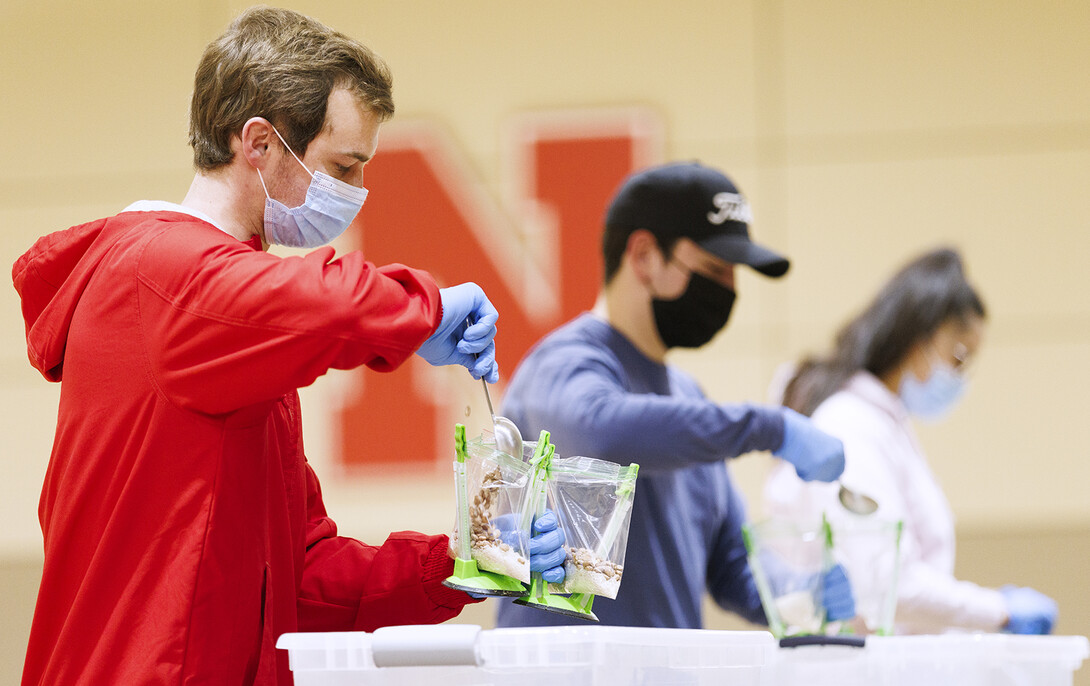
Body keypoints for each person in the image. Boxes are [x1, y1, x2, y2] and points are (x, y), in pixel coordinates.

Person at [11, 8, 563, 685]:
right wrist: (427, 309)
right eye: (344, 166)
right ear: (260, 143)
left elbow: (301, 579)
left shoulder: (229, 335)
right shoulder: (161, 273)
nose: (358, 193)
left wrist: (465, 562)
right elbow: (316, 300)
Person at [494, 161, 853, 630]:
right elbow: (602, 433)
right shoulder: (561, 367)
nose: (728, 291)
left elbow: (730, 567)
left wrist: (799, 594)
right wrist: (771, 427)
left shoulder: (688, 398)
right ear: (644, 256)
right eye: (713, 268)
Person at [763, 247, 1058, 635]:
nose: (961, 377)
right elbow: (883, 584)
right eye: (959, 357)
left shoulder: (884, 425)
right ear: (919, 339)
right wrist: (996, 610)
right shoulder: (850, 426)